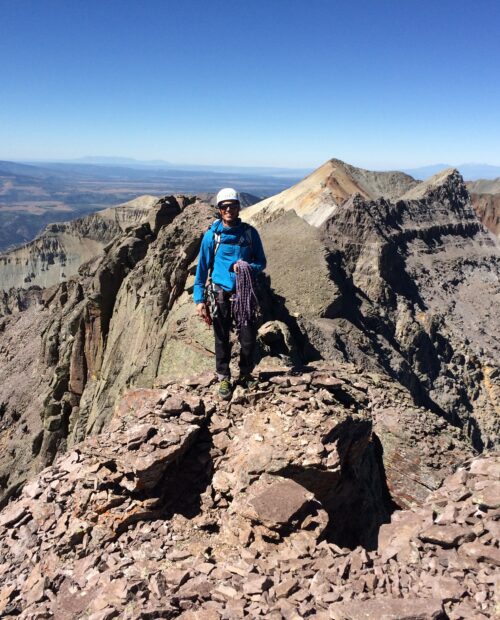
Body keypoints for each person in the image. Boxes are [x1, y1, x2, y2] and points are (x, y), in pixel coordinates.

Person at [193, 188, 266, 399]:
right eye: (224, 207)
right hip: (220, 294)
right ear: (219, 210)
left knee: (248, 338)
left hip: (244, 295)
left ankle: (244, 374)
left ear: (238, 208)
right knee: (221, 338)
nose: (228, 210)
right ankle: (224, 377)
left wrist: (246, 266)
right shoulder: (212, 237)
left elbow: (261, 262)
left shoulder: (250, 234)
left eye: (232, 206)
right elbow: (202, 270)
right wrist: (199, 300)